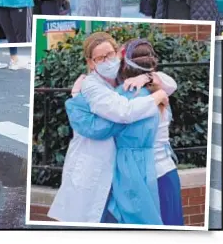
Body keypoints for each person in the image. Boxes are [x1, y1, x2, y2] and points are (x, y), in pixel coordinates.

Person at [48, 32, 172, 223]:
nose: (107, 61)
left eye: (110, 55)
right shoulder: (90, 86)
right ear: (91, 63)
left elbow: (170, 83)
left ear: (118, 53)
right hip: (94, 165)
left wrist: (147, 78)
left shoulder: (124, 77)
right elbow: (123, 111)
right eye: (100, 58)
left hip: (121, 171)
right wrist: (157, 96)